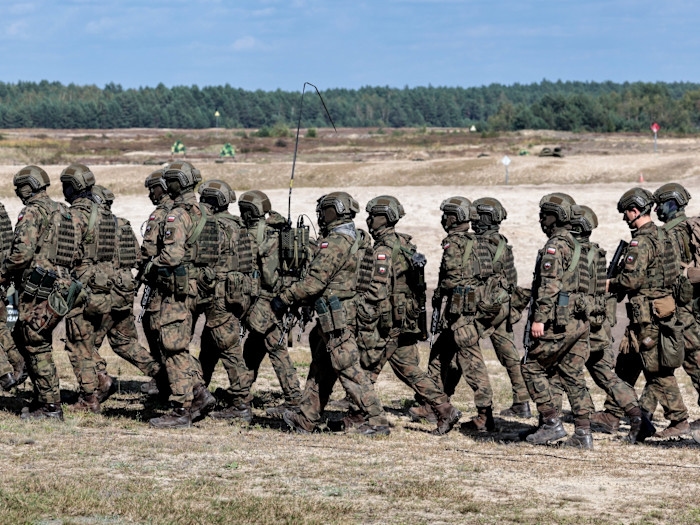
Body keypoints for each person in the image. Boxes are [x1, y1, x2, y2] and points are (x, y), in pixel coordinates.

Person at [275, 192, 390, 436]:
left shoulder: (336, 242)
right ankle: (306, 418)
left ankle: (376, 419)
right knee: (321, 368)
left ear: (333, 211)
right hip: (339, 313)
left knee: (348, 368)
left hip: (338, 317)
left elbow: (314, 283)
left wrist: (283, 299)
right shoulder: (357, 238)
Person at [355, 195, 460, 435]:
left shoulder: (384, 249)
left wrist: (359, 307)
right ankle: (444, 409)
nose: (369, 220)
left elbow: (378, 290)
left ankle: (366, 416)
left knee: (367, 366)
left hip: (388, 321)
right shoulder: (403, 244)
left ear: (384, 218)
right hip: (403, 320)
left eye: (373, 216)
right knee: (407, 369)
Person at [554, 205, 655, 443]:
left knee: (563, 372)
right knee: (606, 376)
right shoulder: (596, 253)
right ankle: (639, 419)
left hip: (579, 327)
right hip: (598, 326)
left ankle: (565, 424)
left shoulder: (570, 254)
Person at [209, 190, 304, 421]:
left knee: (274, 346)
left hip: (265, 300)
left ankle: (294, 399)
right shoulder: (279, 231)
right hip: (275, 298)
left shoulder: (257, 235)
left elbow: (269, 277)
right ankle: (240, 392)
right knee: (255, 346)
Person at [606, 187, 691, 438]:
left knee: (656, 370)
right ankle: (612, 413)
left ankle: (679, 419)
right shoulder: (665, 236)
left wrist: (609, 283)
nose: (625, 218)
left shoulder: (641, 241)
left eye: (626, 213)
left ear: (635, 211)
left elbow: (631, 281)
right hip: (662, 308)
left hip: (647, 314)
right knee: (627, 361)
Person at [1, 166, 80, 420]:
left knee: (35, 343)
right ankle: (43, 398)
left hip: (38, 288)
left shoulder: (33, 212)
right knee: (36, 340)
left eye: (19, 187)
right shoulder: (65, 212)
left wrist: (4, 271)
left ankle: (50, 407)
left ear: (28, 186)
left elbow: (22, 254)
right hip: (62, 287)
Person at [142, 161, 216, 428]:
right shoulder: (205, 212)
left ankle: (181, 408)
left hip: (177, 291)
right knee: (179, 346)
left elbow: (172, 256)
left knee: (172, 347)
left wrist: (150, 266)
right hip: (199, 290)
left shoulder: (177, 214)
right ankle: (198, 392)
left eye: (169, 180)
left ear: (177, 182)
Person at [521, 193, 596, 449]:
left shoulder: (555, 246)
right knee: (573, 375)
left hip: (557, 321)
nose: (542, 219)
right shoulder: (578, 245)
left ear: (557, 216)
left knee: (531, 367)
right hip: (578, 322)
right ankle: (583, 433)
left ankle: (551, 422)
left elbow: (549, 286)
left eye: (545, 214)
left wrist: (539, 319)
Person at [416, 196, 497, 432]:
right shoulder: (478, 242)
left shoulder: (454, 243)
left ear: (456, 217)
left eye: (447, 214)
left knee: (472, 365)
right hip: (466, 312)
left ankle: (484, 415)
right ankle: (435, 405)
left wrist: (439, 292)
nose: (444, 219)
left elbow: (451, 278)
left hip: (462, 315)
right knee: (439, 356)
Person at [89, 185, 165, 400]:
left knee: (83, 344)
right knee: (125, 342)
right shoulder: (122, 224)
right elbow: (138, 258)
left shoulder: (88, 223)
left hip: (99, 294)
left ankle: (101, 379)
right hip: (123, 292)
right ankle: (163, 375)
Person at [60, 163, 117, 413]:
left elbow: (65, 254)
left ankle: (88, 399)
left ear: (74, 187)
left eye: (66, 185)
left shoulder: (73, 216)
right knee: (89, 342)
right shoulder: (106, 215)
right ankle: (102, 379)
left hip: (81, 288)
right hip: (105, 287)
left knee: (77, 345)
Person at [191, 180, 249, 419]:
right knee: (210, 346)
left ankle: (241, 405)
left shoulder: (213, 226)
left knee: (229, 349)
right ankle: (198, 392)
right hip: (234, 292)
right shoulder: (239, 225)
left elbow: (201, 259)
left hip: (217, 293)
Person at [471, 197, 532, 418]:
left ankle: (439, 401)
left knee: (461, 350)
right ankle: (522, 401)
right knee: (509, 355)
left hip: (481, 307)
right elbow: (511, 278)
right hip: (502, 306)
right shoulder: (503, 244)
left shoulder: (475, 244)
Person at [138, 167, 173, 396]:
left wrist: (138, 274)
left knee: (154, 327)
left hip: (160, 280)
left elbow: (148, 250)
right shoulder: (186, 210)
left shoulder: (161, 214)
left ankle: (165, 377)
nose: (151, 193)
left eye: (153, 188)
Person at [0, 198, 25, 390]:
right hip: (4, 276)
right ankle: (18, 363)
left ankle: (4, 374)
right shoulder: (1, 209)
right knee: (2, 328)